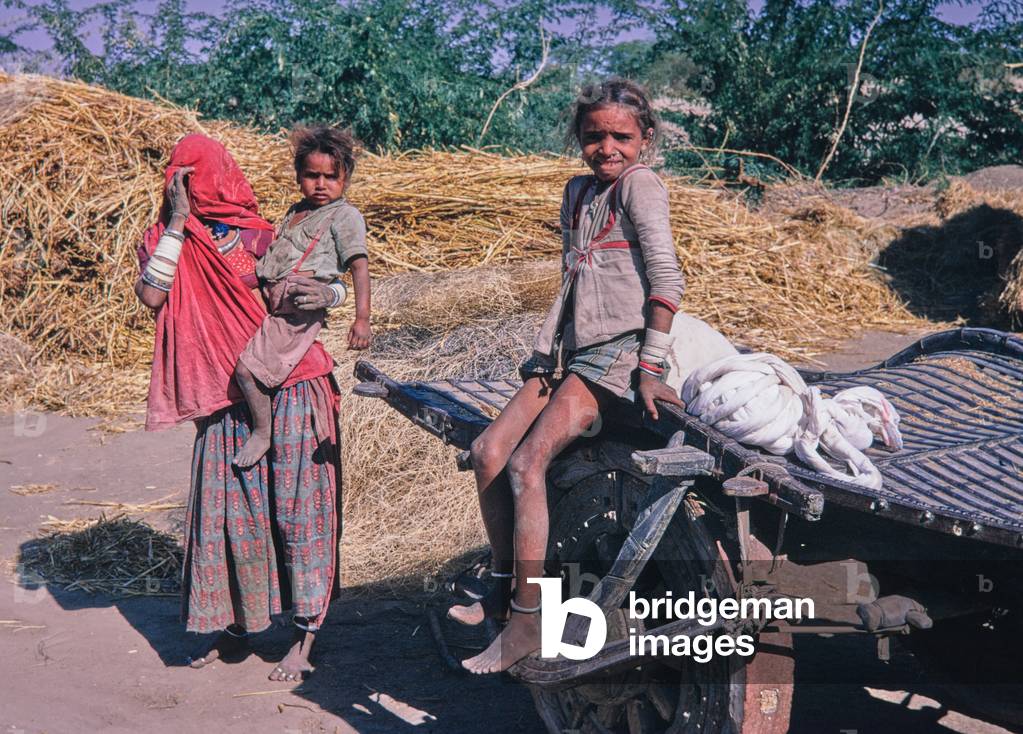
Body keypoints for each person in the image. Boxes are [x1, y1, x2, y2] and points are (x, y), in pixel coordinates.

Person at [449, 79, 686, 674]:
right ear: (579, 140)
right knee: (487, 450)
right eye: (594, 136)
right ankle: (501, 591)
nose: (608, 148)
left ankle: (528, 620)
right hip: (572, 352)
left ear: (646, 139)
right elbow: (572, 280)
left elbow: (666, 281)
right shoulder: (578, 193)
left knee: (529, 463)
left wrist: (651, 367)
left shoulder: (641, 186)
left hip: (620, 353)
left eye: (622, 137)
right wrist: (544, 353)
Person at [135, 134, 350, 682]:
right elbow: (152, 297)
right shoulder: (166, 239)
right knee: (227, 517)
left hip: (293, 387)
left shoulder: (259, 233)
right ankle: (234, 625)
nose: (187, 183)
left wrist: (335, 297)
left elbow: (320, 279)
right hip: (223, 400)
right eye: (180, 175)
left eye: (197, 173)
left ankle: (305, 638)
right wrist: (181, 223)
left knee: (300, 514)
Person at [233, 125, 372, 468]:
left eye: (331, 177)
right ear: (298, 176)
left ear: (346, 180)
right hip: (273, 301)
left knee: (246, 370)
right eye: (312, 175)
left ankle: (263, 432)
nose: (321, 184)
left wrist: (362, 318)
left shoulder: (345, 216)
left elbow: (359, 267)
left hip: (298, 311)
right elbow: (272, 264)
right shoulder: (295, 212)